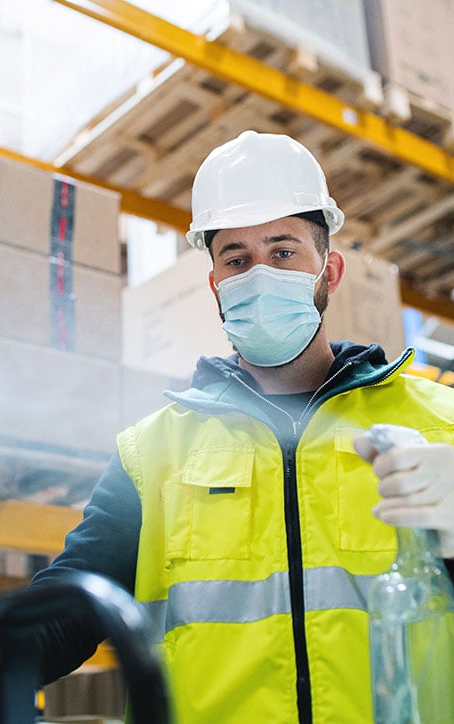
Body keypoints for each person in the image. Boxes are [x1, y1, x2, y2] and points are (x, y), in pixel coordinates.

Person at [32, 131, 454, 724]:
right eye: (236, 259)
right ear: (216, 286)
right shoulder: (150, 453)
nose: (258, 274)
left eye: (283, 252)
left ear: (328, 272)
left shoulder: (441, 424)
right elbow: (69, 609)